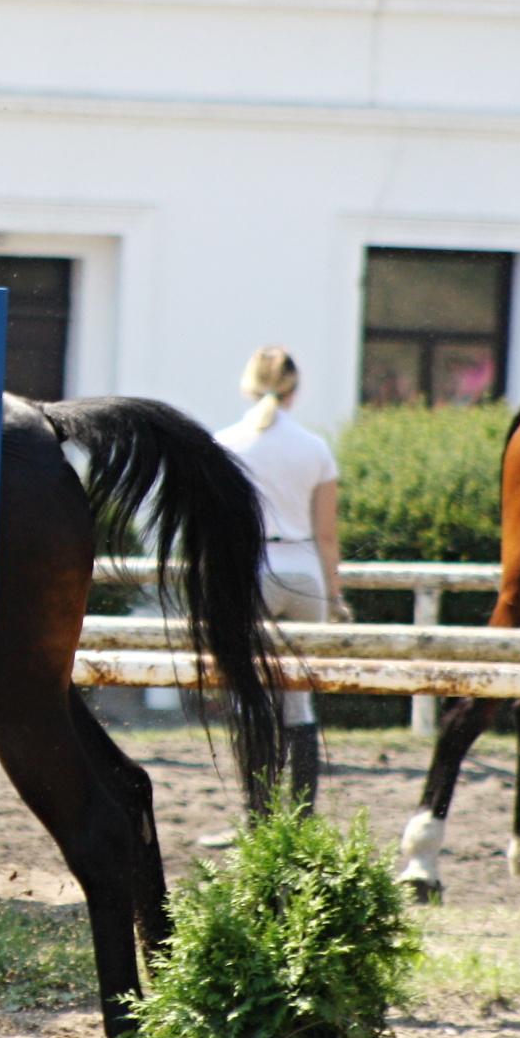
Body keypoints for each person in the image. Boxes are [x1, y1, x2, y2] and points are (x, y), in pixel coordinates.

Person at [203, 346, 347, 844]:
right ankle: (302, 821)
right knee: (299, 705)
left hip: (253, 570)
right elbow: (326, 534)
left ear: (248, 386)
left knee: (250, 701)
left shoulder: (224, 444)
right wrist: (335, 594)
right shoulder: (315, 447)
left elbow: (217, 529)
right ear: (294, 391)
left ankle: (257, 819)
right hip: (304, 571)